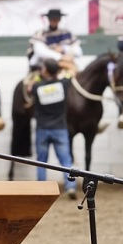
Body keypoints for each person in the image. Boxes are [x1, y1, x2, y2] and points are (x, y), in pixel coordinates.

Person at [29, 58, 77, 200]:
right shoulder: (63, 84)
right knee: (66, 162)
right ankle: (70, 187)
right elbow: (73, 71)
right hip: (60, 128)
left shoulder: (37, 86)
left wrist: (42, 73)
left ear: (45, 70)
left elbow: (29, 86)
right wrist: (61, 64)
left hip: (42, 129)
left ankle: (41, 190)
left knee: (41, 162)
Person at [28, 9, 82, 74]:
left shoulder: (67, 33)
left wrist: (64, 48)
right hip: (43, 66)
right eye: (52, 18)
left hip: (65, 65)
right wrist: (61, 57)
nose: (54, 20)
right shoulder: (41, 33)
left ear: (59, 20)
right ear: (48, 19)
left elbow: (78, 52)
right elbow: (40, 51)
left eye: (56, 18)